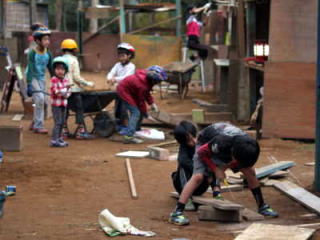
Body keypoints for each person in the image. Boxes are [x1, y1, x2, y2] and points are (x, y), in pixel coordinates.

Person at [169, 122, 279, 226]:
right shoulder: (220, 143)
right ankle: (176, 213)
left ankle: (262, 206)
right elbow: (202, 153)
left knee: (250, 171)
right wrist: (215, 169)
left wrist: (225, 167)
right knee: (198, 176)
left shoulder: (248, 144)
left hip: (227, 146)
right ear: (233, 153)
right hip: (204, 144)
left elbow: (239, 162)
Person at [117, 65, 167, 144]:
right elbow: (140, 101)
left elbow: (146, 93)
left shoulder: (146, 80)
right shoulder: (141, 85)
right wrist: (146, 114)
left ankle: (135, 130)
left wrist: (152, 103)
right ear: (154, 80)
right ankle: (129, 136)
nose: (159, 83)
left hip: (131, 90)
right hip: (124, 91)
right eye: (158, 81)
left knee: (138, 111)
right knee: (136, 112)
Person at [60, 39, 95, 139]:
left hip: (63, 90)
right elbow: (76, 78)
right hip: (74, 90)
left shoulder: (60, 59)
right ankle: (81, 130)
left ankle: (64, 130)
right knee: (79, 108)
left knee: (64, 109)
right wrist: (87, 83)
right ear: (74, 50)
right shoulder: (74, 60)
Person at [172, 121, 209, 210]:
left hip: (201, 186)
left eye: (194, 137)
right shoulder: (184, 149)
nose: (194, 141)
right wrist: (198, 169)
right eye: (189, 140)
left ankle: (217, 193)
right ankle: (187, 199)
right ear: (182, 142)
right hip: (186, 185)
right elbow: (183, 161)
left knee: (211, 163)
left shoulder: (202, 143)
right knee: (182, 167)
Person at [26, 26, 53, 134]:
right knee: (40, 99)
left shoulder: (48, 53)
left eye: (48, 39)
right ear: (37, 41)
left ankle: (34, 121)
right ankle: (39, 125)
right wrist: (28, 84)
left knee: (44, 101)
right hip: (32, 77)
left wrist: (55, 79)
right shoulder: (32, 53)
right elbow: (30, 69)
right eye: (45, 39)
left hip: (42, 78)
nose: (47, 41)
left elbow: (51, 68)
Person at [106, 43, 136, 132]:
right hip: (118, 91)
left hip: (127, 92)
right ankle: (119, 125)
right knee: (117, 108)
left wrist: (114, 79)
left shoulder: (131, 66)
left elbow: (126, 78)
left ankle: (126, 126)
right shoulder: (117, 65)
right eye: (119, 56)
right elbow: (111, 73)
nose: (121, 58)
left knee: (124, 109)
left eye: (123, 55)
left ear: (129, 56)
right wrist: (109, 78)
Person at [50, 56, 71, 147]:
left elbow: (68, 93)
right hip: (56, 105)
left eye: (62, 69)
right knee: (58, 122)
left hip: (64, 104)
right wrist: (63, 91)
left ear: (65, 70)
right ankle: (54, 140)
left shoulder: (66, 80)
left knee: (62, 122)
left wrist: (65, 92)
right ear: (54, 70)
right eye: (57, 69)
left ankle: (59, 138)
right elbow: (55, 92)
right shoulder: (54, 79)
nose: (60, 71)